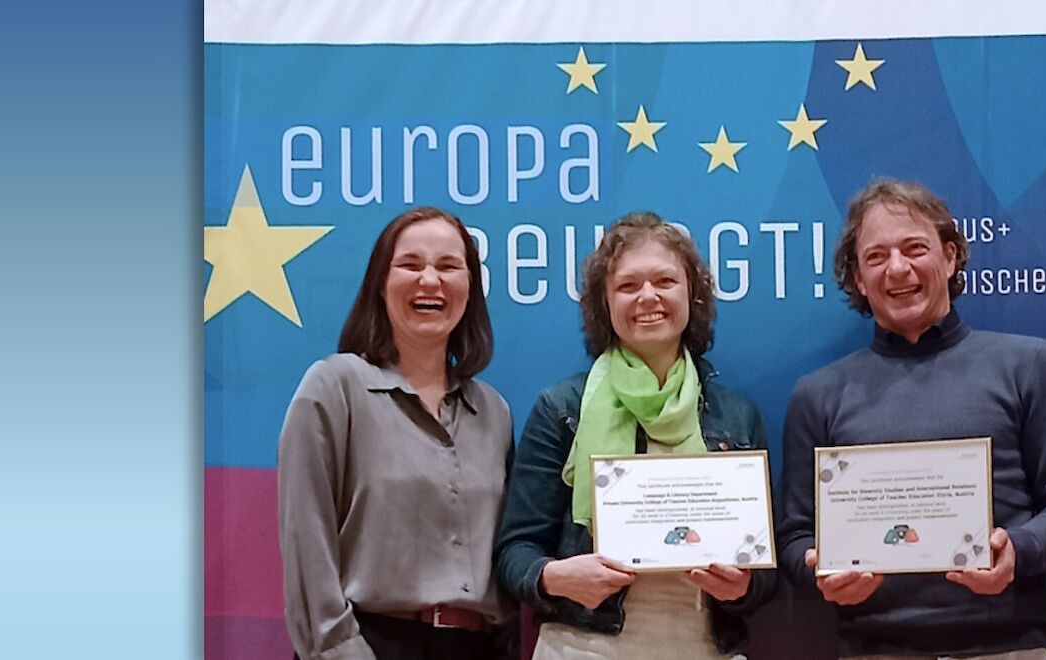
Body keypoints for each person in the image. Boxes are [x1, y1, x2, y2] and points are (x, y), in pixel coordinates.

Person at [777, 179, 1046, 658]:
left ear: (950, 257)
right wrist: (817, 569)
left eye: (914, 248)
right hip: (874, 650)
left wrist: (1018, 549)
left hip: (1006, 648)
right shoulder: (818, 395)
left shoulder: (1028, 365)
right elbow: (794, 537)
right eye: (876, 256)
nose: (897, 268)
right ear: (859, 279)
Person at [493, 212, 775, 659]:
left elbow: (764, 574)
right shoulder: (562, 409)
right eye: (627, 286)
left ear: (692, 295)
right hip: (580, 649)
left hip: (705, 648)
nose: (648, 297)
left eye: (665, 281)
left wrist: (743, 587)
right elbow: (515, 552)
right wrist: (556, 577)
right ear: (604, 304)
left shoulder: (738, 416)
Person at [279, 207, 515, 660]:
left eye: (448, 266)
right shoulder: (334, 388)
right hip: (370, 644)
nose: (430, 280)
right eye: (410, 264)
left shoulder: (493, 411)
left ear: (471, 288)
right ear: (380, 284)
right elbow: (307, 546)